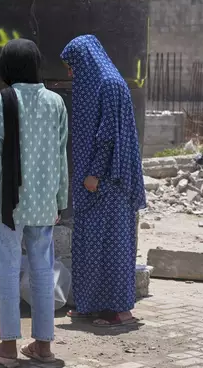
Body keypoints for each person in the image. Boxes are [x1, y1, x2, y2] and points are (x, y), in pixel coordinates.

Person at [0, 39, 69, 366]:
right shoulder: (56, 103)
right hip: (43, 204)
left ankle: (8, 346)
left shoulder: (2, 102)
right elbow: (60, 156)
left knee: (8, 271)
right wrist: (59, 200)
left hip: (8, 204)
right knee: (43, 270)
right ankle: (43, 347)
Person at [60, 35, 146, 327]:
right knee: (89, 244)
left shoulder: (108, 84)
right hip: (93, 184)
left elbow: (108, 134)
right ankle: (92, 304)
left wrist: (94, 173)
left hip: (109, 183)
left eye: (72, 66)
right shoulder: (96, 83)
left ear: (85, 60)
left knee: (112, 245)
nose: (70, 73)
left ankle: (118, 310)